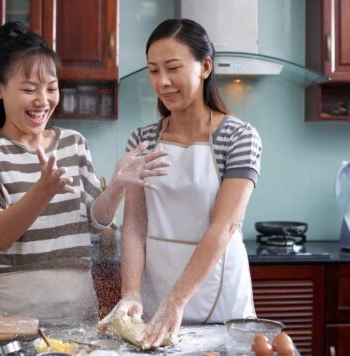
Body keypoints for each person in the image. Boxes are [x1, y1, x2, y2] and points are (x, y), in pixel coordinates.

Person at [0, 22, 170, 323]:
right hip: (13, 314)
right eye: (29, 89)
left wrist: (117, 187)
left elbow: (96, 222)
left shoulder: (73, 143)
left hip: (78, 311)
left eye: (51, 88)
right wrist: (42, 191)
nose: (42, 101)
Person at [98, 18, 262, 348]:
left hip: (221, 306)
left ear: (205, 67)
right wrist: (131, 291)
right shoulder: (142, 140)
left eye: (173, 68)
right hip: (156, 300)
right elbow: (133, 227)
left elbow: (224, 226)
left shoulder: (239, 137)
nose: (163, 81)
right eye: (154, 70)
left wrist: (176, 301)